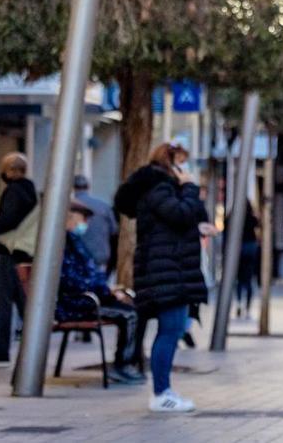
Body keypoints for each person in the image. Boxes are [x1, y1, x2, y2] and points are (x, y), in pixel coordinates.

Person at [114, 142, 215, 413]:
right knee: (170, 330)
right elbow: (179, 214)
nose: (185, 169)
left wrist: (197, 226)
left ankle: (164, 391)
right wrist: (191, 187)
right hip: (167, 273)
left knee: (172, 329)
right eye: (181, 162)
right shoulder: (159, 187)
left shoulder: (159, 189)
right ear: (170, 163)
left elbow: (173, 223)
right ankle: (161, 393)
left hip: (169, 270)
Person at [57, 199, 144, 384]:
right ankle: (123, 365)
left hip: (86, 298)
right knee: (130, 315)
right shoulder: (64, 244)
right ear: (69, 218)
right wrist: (106, 292)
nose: (85, 224)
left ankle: (126, 363)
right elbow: (73, 280)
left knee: (132, 309)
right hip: (76, 303)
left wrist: (108, 290)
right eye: (83, 219)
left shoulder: (73, 241)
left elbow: (89, 275)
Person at [0, 153, 37, 365]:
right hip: (25, 253)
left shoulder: (13, 191)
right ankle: (32, 347)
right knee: (23, 302)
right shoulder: (30, 190)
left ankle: (2, 349)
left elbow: (9, 220)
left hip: (10, 252)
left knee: (3, 303)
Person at [73, 175, 118, 274]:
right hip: (100, 256)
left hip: (76, 258)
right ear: (88, 187)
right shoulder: (104, 207)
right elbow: (114, 231)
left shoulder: (70, 206)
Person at [225, 201, 259, 319]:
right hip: (250, 247)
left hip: (238, 248)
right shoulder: (252, 218)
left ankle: (239, 303)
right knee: (248, 279)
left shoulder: (232, 217)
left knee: (239, 279)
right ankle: (247, 308)